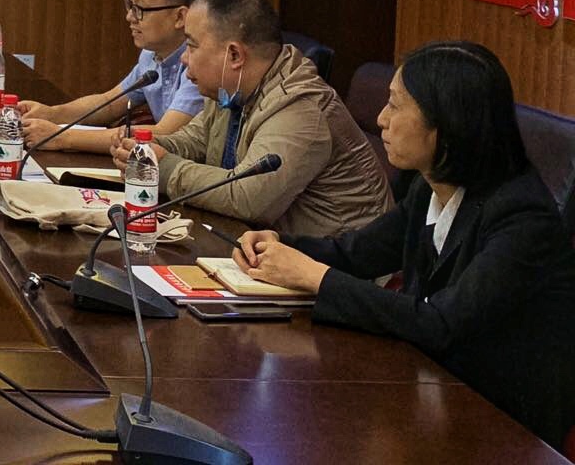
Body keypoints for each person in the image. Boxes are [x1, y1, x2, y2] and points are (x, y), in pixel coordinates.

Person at [233, 42, 575, 448]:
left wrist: (316, 277)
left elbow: (442, 323)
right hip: (431, 387)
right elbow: (356, 253)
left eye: (395, 106)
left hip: (501, 427)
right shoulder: (429, 184)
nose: (381, 119)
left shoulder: (522, 217)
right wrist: (278, 245)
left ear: (446, 124)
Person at [114, 0, 391, 236]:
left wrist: (165, 168)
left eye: (192, 46)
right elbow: (195, 141)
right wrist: (145, 149)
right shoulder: (230, 90)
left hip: (334, 264)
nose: (185, 59)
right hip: (268, 247)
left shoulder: (300, 108)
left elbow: (248, 198)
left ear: (234, 55)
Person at [18, 0, 206, 154]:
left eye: (140, 9)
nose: (129, 17)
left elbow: (164, 133)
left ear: (180, 17)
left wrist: (60, 137)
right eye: (130, 5)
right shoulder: (150, 55)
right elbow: (109, 103)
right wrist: (51, 113)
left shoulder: (200, 65)